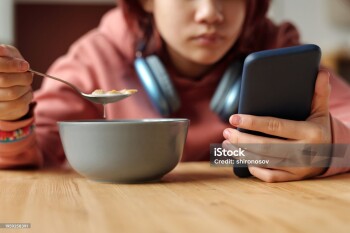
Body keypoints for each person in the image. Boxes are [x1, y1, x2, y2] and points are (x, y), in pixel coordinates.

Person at [0, 0, 349, 182]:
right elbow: (36, 152)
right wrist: (11, 113)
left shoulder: (277, 48)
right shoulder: (96, 57)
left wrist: (325, 154)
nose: (210, 13)